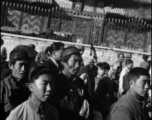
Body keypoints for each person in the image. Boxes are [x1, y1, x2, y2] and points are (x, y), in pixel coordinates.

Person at [52, 46, 90, 120]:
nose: (78, 65)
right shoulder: (56, 82)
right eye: (74, 61)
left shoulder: (80, 83)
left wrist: (86, 101)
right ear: (63, 62)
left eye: (79, 62)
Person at [0, 48, 31, 120]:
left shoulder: (31, 86)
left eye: (26, 65)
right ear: (10, 65)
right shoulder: (3, 87)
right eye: (21, 65)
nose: (24, 69)